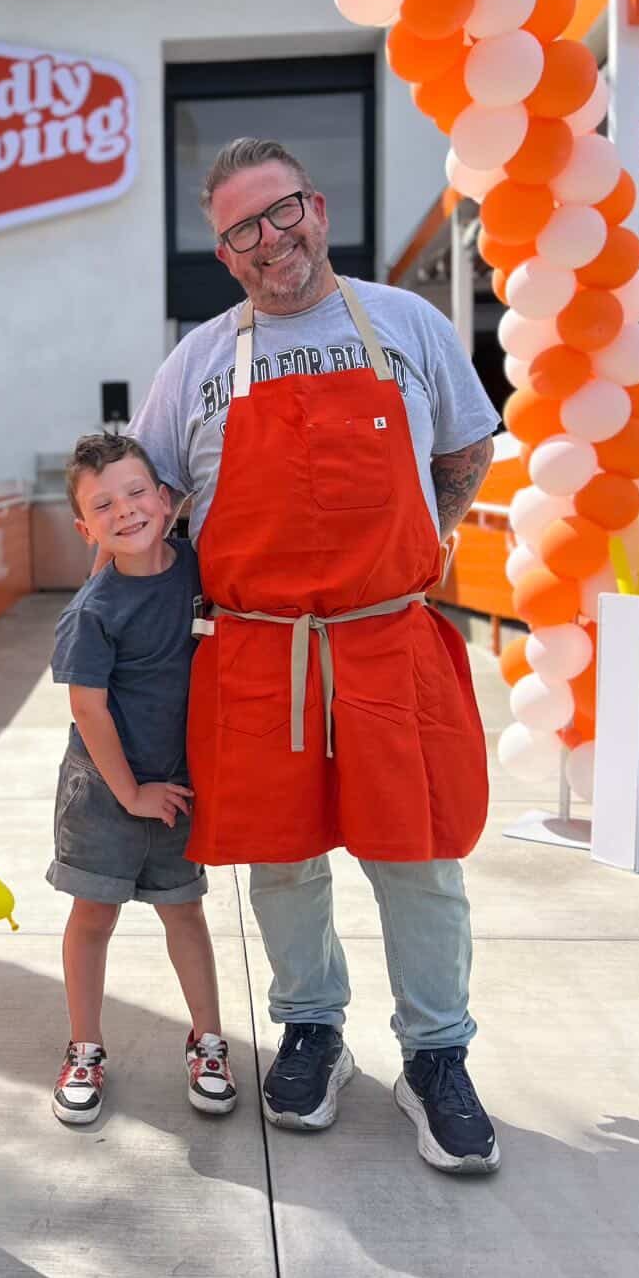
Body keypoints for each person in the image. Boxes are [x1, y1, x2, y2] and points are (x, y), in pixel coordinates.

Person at [128, 138, 502, 1174]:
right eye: (240, 230)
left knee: (416, 857)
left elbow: (465, 452)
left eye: (280, 212)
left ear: (315, 205)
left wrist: (418, 540)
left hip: (387, 640)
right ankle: (311, 1030)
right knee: (284, 860)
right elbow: (150, 496)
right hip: (258, 653)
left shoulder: (409, 325)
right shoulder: (199, 360)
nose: (268, 241)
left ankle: (436, 1055)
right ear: (224, 252)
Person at [47, 433, 236, 1126]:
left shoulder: (198, 568)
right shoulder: (93, 612)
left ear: (166, 499)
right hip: (105, 793)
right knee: (92, 918)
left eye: (135, 494)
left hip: (179, 788)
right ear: (85, 528)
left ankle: (209, 1043)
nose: (124, 511)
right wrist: (130, 794)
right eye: (103, 505)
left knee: (184, 911)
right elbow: (86, 707)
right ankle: (85, 1049)